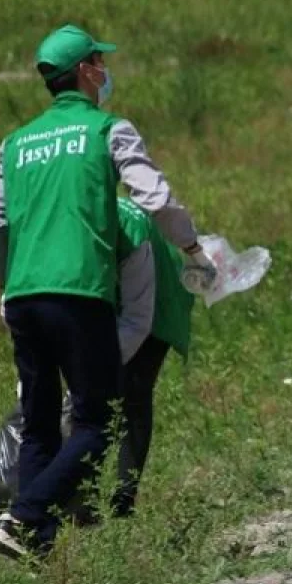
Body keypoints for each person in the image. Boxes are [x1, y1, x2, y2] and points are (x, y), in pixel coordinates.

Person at [0, 24, 215, 559]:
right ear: (85, 71)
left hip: (23, 298)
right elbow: (155, 196)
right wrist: (193, 249)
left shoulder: (13, 143)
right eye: (99, 63)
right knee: (97, 422)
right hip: (79, 294)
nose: (105, 71)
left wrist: (6, 279)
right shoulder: (108, 130)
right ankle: (21, 516)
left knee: (39, 426)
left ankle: (34, 548)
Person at [111, 196, 196, 517]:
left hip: (160, 299)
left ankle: (122, 499)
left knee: (132, 391)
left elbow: (138, 320)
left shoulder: (130, 228)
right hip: (122, 293)